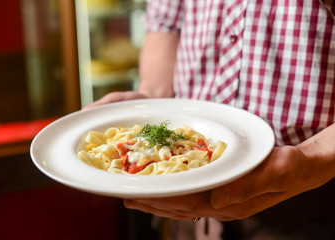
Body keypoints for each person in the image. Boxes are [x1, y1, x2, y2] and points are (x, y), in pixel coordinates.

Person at [84, 0, 335, 239]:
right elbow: (166, 22)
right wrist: (151, 97)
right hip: (180, 186)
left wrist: (312, 158)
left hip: (310, 199)